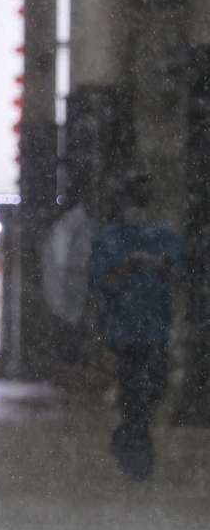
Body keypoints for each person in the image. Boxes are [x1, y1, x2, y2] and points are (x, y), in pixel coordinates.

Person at [88, 171, 184, 481]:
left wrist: (157, 266)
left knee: (153, 386)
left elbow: (178, 275)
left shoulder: (164, 236)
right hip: (124, 329)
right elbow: (99, 281)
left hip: (155, 326)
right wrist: (128, 266)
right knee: (133, 389)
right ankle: (136, 451)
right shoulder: (110, 238)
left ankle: (130, 436)